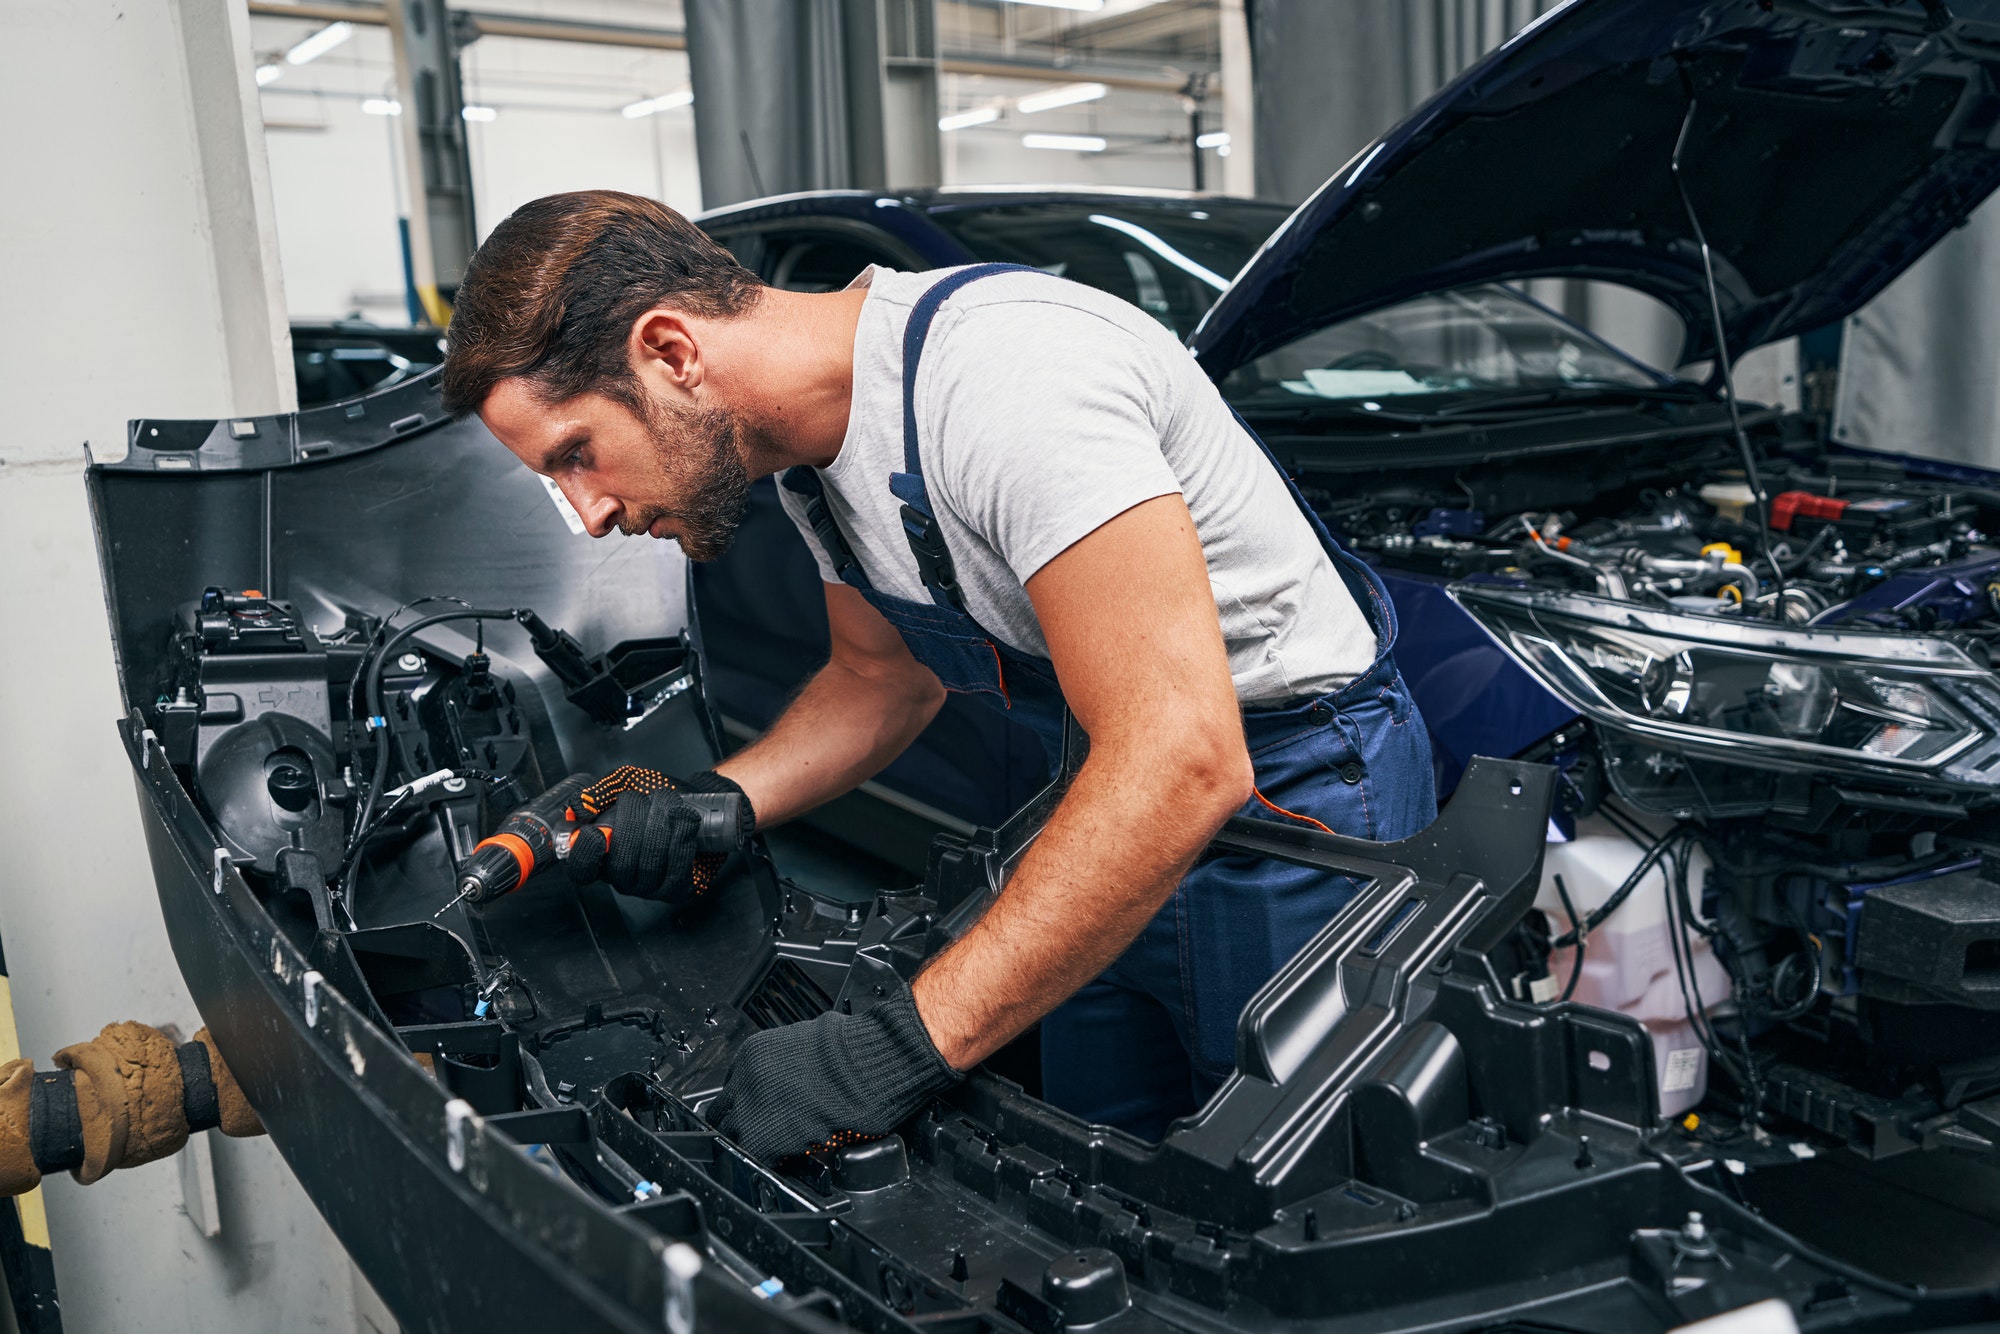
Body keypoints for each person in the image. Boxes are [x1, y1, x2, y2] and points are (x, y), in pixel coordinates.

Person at [439, 190, 1436, 1162]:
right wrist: (716, 804)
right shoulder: (811, 453)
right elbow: (882, 677)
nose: (590, 512)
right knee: (1106, 1168)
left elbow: (1181, 757)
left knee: (1287, 1195)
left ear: (669, 351)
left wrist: (888, 1051)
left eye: (576, 453)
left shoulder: (1004, 384)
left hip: (1295, 811)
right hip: (1110, 796)